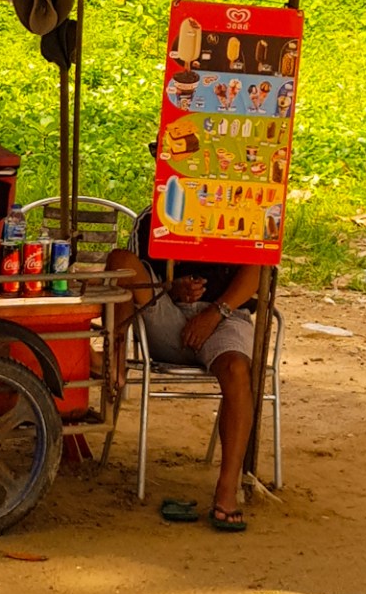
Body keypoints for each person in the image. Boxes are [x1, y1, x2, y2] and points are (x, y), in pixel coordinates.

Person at [108, 200, 260, 533]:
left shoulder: (246, 209)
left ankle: (226, 488)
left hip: (225, 316)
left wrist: (214, 313)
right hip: (168, 317)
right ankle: (113, 365)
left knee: (237, 371)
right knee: (119, 261)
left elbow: (256, 275)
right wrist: (171, 287)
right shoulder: (152, 217)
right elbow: (132, 272)